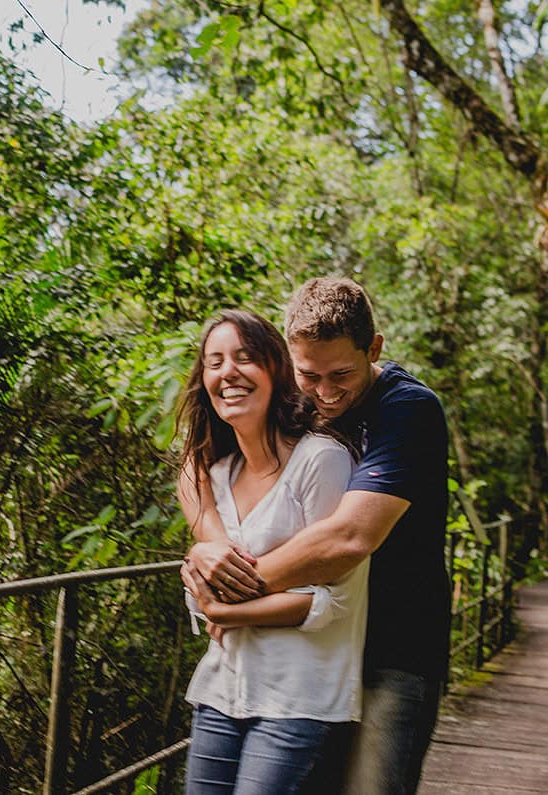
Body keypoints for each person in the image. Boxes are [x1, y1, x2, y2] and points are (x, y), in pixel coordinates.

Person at [182, 277, 450, 794]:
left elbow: (348, 538)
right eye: (310, 375)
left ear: (374, 349)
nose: (326, 393)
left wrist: (229, 590)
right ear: (290, 358)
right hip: (309, 653)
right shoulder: (297, 405)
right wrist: (208, 542)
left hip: (391, 653)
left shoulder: (407, 409)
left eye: (341, 375)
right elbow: (198, 459)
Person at [177, 309, 369, 795]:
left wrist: (224, 607)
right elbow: (197, 594)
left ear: (276, 369)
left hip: (299, 697)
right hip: (222, 689)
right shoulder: (217, 475)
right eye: (214, 362)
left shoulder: (320, 459)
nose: (228, 373)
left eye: (245, 358)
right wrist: (204, 567)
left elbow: (333, 602)